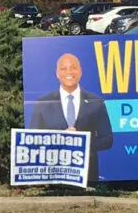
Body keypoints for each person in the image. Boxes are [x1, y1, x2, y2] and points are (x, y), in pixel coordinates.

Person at [28, 53, 114, 182]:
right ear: (57, 73)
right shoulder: (42, 104)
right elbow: (33, 140)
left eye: (73, 68)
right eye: (63, 69)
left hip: (87, 176)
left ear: (80, 71)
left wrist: (80, 143)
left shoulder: (96, 102)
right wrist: (61, 140)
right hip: (53, 176)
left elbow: (107, 139)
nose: (69, 72)